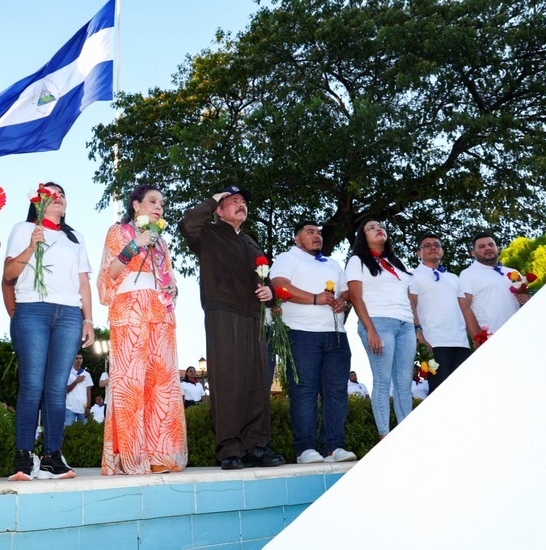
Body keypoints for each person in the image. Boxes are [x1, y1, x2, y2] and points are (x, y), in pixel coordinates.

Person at [178, 186, 285, 470]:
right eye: (233, 201)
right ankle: (230, 449)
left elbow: (265, 279)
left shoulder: (251, 242)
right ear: (219, 210)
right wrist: (213, 198)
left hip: (254, 317)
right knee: (227, 380)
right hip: (222, 312)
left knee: (257, 381)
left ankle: (257, 446)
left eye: (243, 202)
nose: (241, 204)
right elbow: (187, 224)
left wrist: (270, 292)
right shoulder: (208, 233)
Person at [5, 181, 94, 481]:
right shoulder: (23, 229)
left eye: (62, 195)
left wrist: (88, 320)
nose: (58, 198)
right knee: (32, 385)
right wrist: (32, 246)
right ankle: (23, 456)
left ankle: (51, 457)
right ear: (37, 202)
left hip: (69, 314)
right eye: (51, 194)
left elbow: (83, 282)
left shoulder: (75, 238)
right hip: (32, 309)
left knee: (57, 388)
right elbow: (8, 274)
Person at [98, 184, 188, 475]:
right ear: (136, 205)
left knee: (161, 385)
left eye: (161, 203)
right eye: (152, 201)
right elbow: (109, 275)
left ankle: (160, 455)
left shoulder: (161, 243)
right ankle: (130, 457)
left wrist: (172, 288)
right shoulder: (118, 232)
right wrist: (135, 245)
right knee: (131, 385)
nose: (158, 207)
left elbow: (168, 277)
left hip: (159, 313)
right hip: (130, 312)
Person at [271, 221, 356, 464]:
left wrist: (343, 301)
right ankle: (305, 449)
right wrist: (316, 298)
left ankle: (333, 447)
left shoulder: (332, 263)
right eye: (310, 232)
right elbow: (280, 286)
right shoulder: (287, 258)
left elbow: (346, 291)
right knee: (304, 391)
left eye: (318, 232)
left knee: (336, 392)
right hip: (301, 332)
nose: (317, 236)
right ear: (297, 239)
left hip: (336, 333)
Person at [346, 219, 419, 438]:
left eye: (381, 226)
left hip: (405, 326)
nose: (379, 229)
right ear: (363, 237)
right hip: (378, 323)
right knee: (382, 380)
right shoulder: (357, 261)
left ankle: (407, 435)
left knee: (404, 383)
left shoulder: (396, 263)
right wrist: (370, 329)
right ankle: (384, 435)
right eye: (371, 228)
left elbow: (409, 299)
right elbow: (355, 297)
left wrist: (416, 328)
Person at [410, 234, 474, 393]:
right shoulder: (412, 276)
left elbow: (465, 308)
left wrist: (476, 337)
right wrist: (418, 334)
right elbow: (411, 305)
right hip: (434, 342)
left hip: (460, 342)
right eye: (427, 245)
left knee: (463, 390)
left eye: (437, 245)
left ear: (442, 251)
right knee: (440, 391)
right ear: (418, 253)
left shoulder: (453, 278)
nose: (433, 247)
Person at [459, 232, 528, 340]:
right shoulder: (467, 274)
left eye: (491, 245)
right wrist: (477, 338)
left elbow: (526, 304)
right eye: (482, 246)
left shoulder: (513, 272)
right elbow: (464, 309)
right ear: (473, 253)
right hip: (491, 338)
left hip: (520, 334)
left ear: (497, 248)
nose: (488, 248)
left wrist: (527, 299)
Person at [65, 354, 93, 426]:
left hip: (83, 407)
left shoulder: (86, 374)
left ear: (82, 360)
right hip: (70, 407)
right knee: (69, 430)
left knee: (83, 431)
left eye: (80, 358)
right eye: (76, 358)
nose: (78, 360)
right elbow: (66, 390)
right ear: (73, 360)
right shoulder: (68, 373)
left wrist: (88, 407)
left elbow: (88, 391)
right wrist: (76, 381)